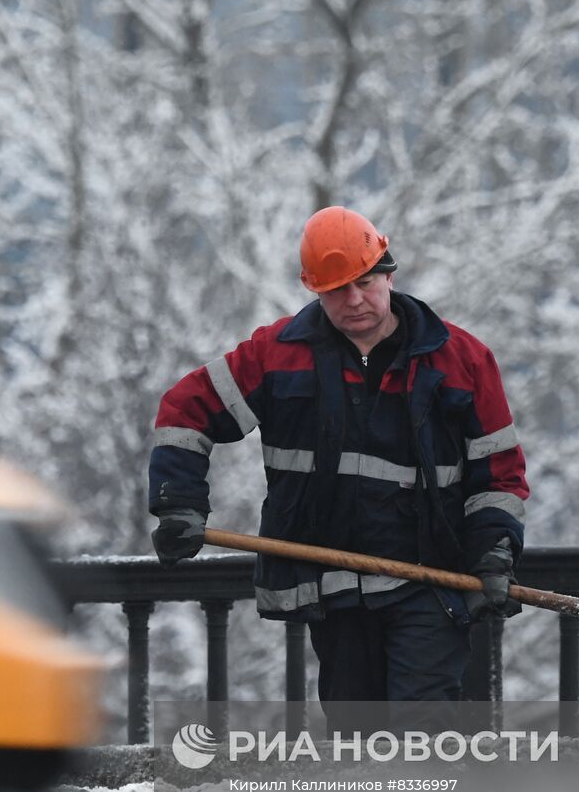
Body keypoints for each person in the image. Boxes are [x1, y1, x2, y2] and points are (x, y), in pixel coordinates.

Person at [147, 206, 528, 706]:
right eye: (335, 290)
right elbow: (185, 410)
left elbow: (498, 474)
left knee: (422, 739)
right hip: (333, 589)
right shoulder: (277, 355)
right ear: (314, 289)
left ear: (389, 273)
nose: (354, 300)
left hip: (432, 584)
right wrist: (179, 504)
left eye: (365, 282)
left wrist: (495, 550)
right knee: (357, 746)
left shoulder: (462, 361)